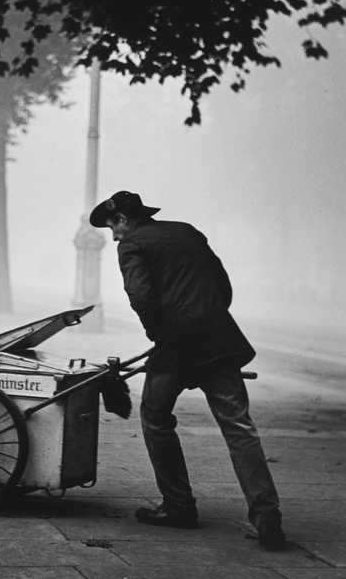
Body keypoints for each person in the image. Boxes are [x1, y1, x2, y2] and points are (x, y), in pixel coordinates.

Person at [89, 190, 285, 550]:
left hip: (176, 346)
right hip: (219, 339)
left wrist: (161, 333)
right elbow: (223, 286)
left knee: (154, 415)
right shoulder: (188, 232)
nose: (113, 236)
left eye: (112, 227)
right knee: (239, 427)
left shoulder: (131, 244)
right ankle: (267, 515)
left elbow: (141, 297)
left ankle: (179, 506)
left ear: (122, 221)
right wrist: (206, 316)